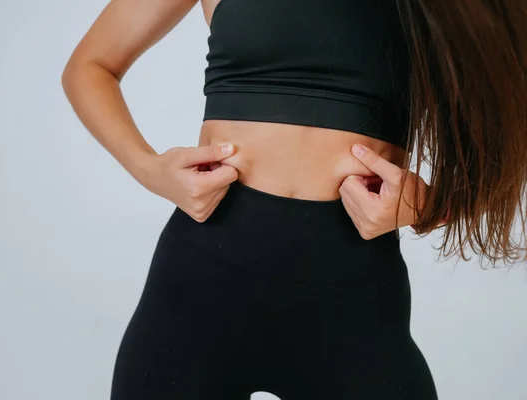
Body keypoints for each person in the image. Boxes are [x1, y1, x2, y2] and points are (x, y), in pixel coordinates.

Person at [61, 0, 527, 398]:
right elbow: (91, 65)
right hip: (199, 287)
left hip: (357, 302)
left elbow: (510, 115)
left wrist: (431, 205)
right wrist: (149, 169)